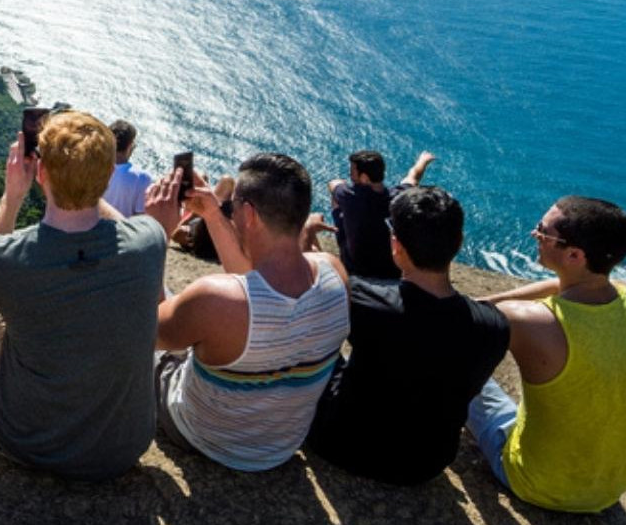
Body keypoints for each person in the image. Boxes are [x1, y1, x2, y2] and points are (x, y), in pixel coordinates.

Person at [0, 109, 168, 480]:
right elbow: (120, 228)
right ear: (110, 175)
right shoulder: (151, 240)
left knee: (0, 312)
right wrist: (88, 180)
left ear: (41, 174)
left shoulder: (2, 259)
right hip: (123, 448)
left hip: (24, 443)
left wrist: (11, 198)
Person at [146, 154, 351, 472]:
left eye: (234, 205)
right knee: (198, 318)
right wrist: (214, 214)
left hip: (203, 436)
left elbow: (149, 330)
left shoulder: (215, 299)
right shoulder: (335, 273)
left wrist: (156, 235)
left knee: (160, 321)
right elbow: (255, 288)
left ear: (249, 214)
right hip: (281, 445)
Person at [306, 186, 510, 484]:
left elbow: (308, 278)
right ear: (459, 242)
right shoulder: (495, 327)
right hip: (425, 465)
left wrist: (307, 234)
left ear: (396, 245)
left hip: (339, 444)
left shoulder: (364, 302)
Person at [467, 196, 626, 513]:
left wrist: (475, 307)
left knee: (470, 378)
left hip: (539, 484)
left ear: (574, 255)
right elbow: (560, 286)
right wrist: (489, 299)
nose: (534, 234)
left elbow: (457, 330)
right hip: (612, 485)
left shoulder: (528, 321)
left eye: (543, 231)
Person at [328, 150, 436, 279]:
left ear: (364, 178)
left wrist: (342, 184)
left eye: (352, 173)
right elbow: (413, 177)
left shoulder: (350, 197)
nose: (350, 176)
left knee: (337, 200)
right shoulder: (399, 196)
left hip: (356, 268)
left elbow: (333, 184)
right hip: (391, 271)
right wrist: (423, 161)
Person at [102, 120, 155, 218]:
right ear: (130, 145)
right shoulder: (142, 178)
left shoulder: (93, 169)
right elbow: (141, 218)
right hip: (124, 232)